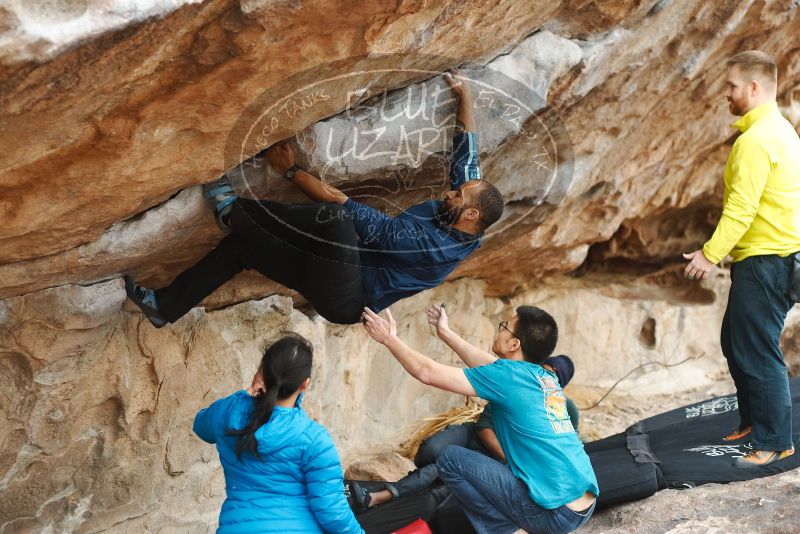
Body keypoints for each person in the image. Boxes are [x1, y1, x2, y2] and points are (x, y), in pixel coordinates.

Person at [124, 68, 504, 328]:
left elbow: (345, 208)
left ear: (470, 214)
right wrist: (464, 94)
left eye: (457, 195)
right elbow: (467, 158)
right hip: (336, 267)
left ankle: (233, 210)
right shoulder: (465, 216)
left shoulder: (426, 246)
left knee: (338, 220)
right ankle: (164, 307)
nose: (450, 191)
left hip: (346, 299)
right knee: (243, 248)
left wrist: (288, 171)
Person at [362, 305, 598, 534]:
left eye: (505, 326)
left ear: (514, 344)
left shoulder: (509, 378)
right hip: (584, 504)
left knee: (449, 459)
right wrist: (445, 333)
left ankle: (507, 531)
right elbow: (488, 363)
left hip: (554, 515)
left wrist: (389, 339)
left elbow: (428, 372)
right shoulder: (544, 377)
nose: (500, 329)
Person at [682, 50, 800, 468]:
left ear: (753, 87)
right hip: (770, 258)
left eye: (731, 86)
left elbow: (741, 209)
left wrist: (709, 255)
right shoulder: (779, 130)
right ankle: (754, 420)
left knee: (757, 350)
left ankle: (775, 443)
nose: (725, 93)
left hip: (768, 260)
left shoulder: (757, 140)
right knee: (736, 341)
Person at [352, 353, 579, 510]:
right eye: (543, 371)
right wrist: (506, 457)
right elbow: (483, 427)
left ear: (561, 386)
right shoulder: (518, 386)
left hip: (497, 460)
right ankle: (423, 483)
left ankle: (379, 497)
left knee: (439, 466)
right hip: (479, 438)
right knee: (430, 451)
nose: (545, 380)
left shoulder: (567, 409)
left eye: (553, 378)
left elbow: (567, 446)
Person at [192, 334, 363, 533]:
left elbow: (200, 426)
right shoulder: (314, 438)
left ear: (262, 372)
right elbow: (332, 512)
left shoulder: (227, 411)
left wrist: (242, 396)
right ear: (304, 384)